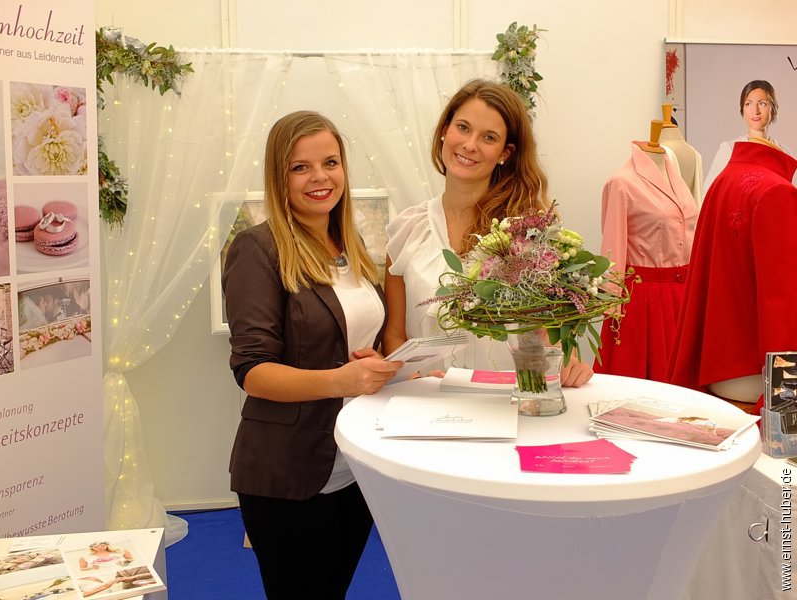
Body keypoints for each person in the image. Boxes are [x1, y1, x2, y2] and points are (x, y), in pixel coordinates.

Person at [222, 110, 402, 599]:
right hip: (288, 471)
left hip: (353, 463)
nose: (320, 177)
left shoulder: (349, 244)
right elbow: (252, 371)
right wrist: (341, 380)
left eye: (330, 162)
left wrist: (384, 363)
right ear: (278, 176)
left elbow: (348, 340)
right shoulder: (257, 249)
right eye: (300, 167)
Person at [384, 79, 592, 386]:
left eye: (489, 137)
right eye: (463, 128)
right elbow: (394, 334)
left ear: (505, 153)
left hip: (508, 401)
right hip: (428, 405)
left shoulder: (530, 236)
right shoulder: (407, 230)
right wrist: (417, 380)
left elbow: (544, 337)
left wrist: (567, 361)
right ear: (445, 131)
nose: (470, 145)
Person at [668, 138, 797, 409]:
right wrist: (785, 393)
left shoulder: (724, 179)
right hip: (757, 372)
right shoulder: (777, 191)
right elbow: (780, 303)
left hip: (717, 367)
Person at [594, 120, 698, 382]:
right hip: (643, 299)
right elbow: (613, 247)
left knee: (686, 387)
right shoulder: (622, 183)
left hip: (683, 295)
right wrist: (611, 301)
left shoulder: (676, 177)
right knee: (642, 385)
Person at [702, 80, 793, 193]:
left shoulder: (785, 153)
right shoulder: (730, 149)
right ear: (743, 111)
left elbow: (788, 196)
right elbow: (708, 192)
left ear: (773, 109)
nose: (755, 111)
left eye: (762, 103)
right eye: (748, 104)